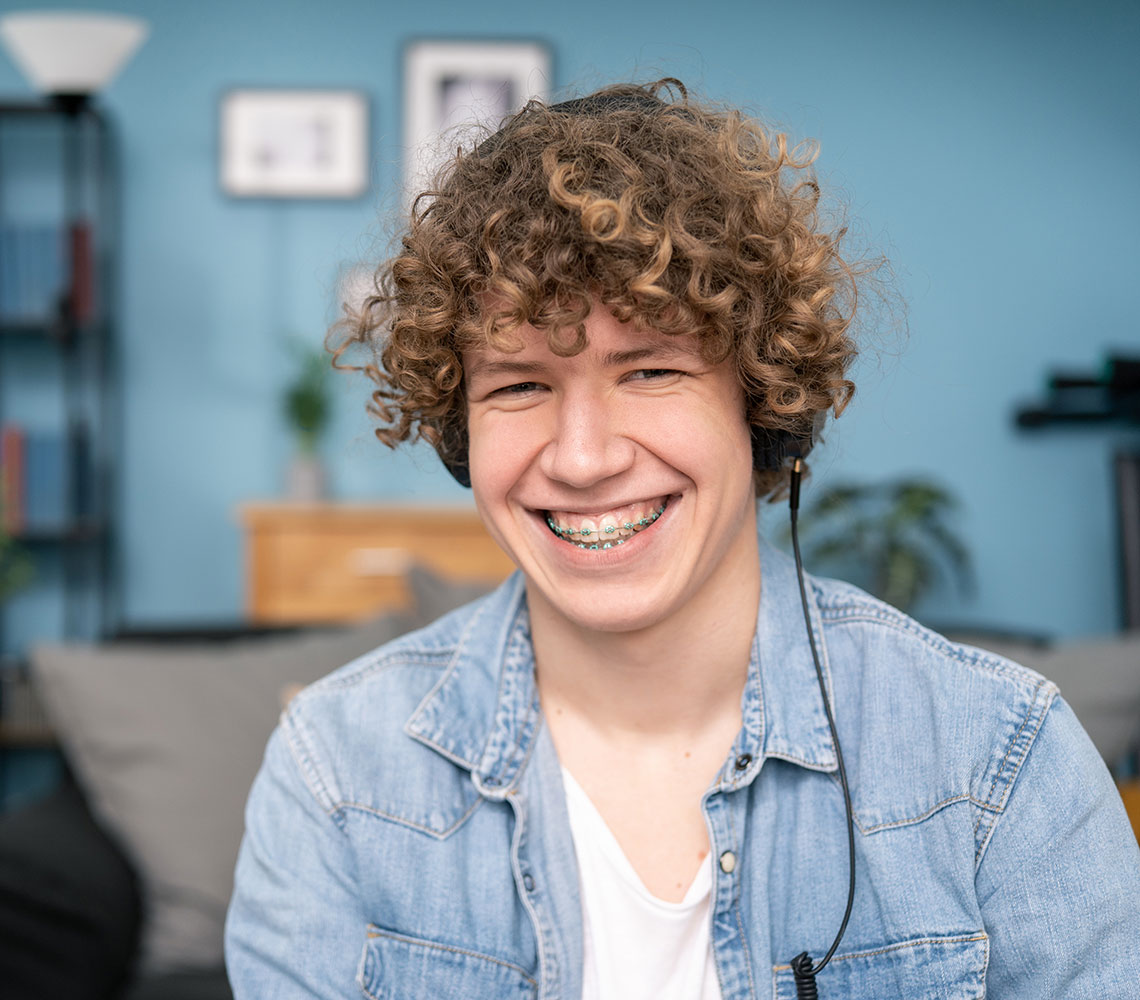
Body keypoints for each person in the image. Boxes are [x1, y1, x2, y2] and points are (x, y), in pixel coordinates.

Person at [224, 80, 1140, 999]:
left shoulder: (999, 762)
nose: (582, 459)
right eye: (519, 385)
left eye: (651, 370)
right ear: (462, 436)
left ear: (764, 408)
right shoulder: (334, 775)